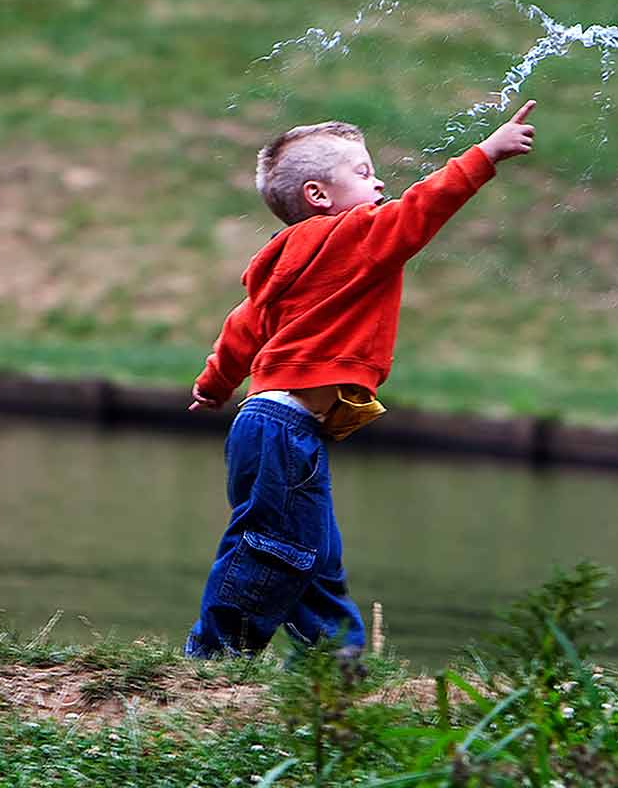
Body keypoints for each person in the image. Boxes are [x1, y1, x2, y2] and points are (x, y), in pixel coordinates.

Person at [183, 101, 539, 657]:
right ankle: (215, 655)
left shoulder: (284, 262)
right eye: (364, 172)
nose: (380, 183)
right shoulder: (357, 236)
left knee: (314, 554)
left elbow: (242, 328)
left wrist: (214, 384)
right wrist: (485, 154)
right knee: (273, 547)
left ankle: (335, 657)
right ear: (318, 195)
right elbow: (423, 207)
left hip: (267, 422)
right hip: (285, 427)